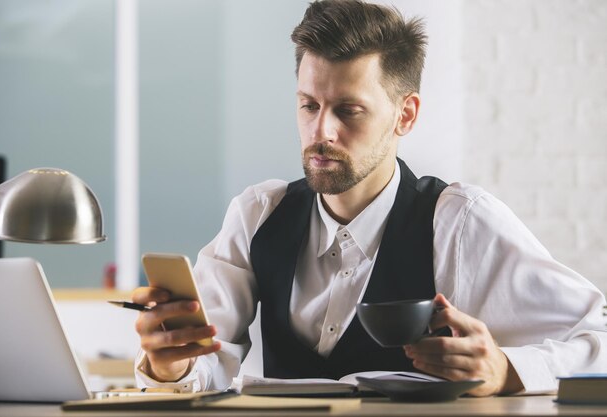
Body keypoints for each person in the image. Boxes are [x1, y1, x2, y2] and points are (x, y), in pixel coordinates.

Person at [132, 0, 607, 396]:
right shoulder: (258, 215)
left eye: (349, 110)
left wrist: (506, 370)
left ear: (405, 115)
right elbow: (205, 367)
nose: (322, 132)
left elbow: (599, 338)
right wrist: (170, 367)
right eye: (309, 105)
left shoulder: (460, 222)